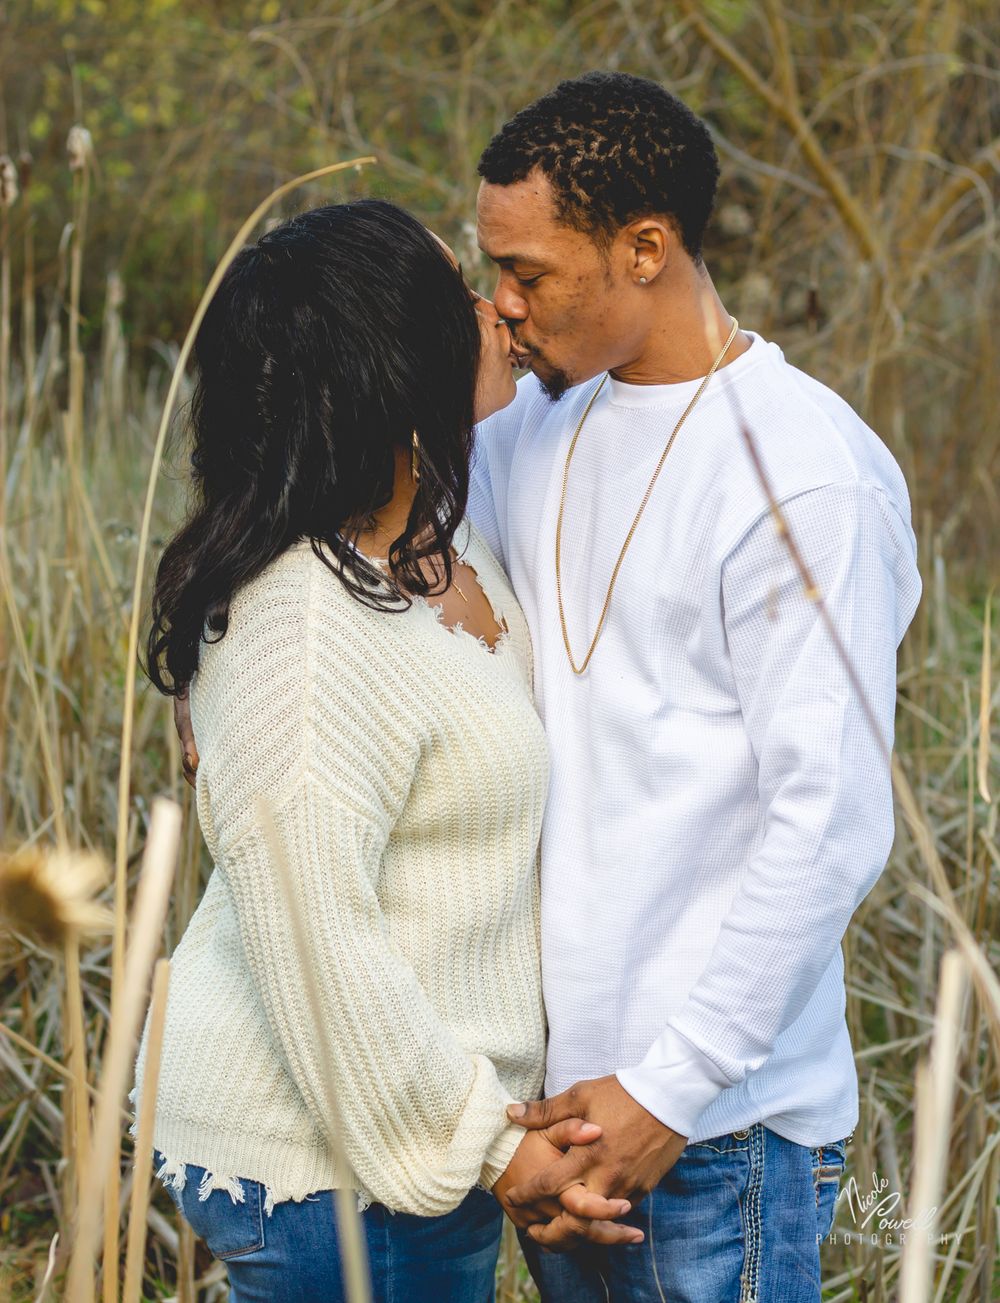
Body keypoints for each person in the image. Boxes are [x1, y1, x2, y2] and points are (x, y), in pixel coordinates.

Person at [464, 72, 922, 1301]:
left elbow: (827, 820)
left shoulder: (804, 475)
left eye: (527, 272)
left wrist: (668, 1091)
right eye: (492, 270)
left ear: (645, 249)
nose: (502, 306)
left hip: (717, 1128)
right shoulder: (523, 428)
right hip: (558, 1120)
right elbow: (368, 548)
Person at [135, 198, 637, 1303]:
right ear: (393, 361)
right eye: (455, 294)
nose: (494, 307)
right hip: (325, 1170)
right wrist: (495, 1147)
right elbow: (318, 946)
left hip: (415, 1154)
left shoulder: (436, 550)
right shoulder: (301, 624)